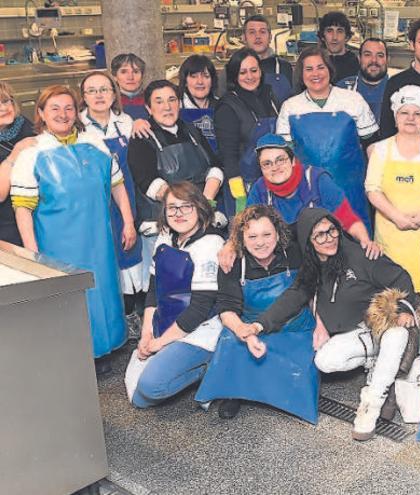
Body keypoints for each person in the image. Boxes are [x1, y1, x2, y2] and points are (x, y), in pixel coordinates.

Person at [254, 207, 420, 440]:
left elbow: (400, 277)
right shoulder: (311, 267)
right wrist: (259, 325)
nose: (329, 238)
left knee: (395, 336)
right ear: (308, 241)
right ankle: (380, 364)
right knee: (325, 361)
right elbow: (293, 297)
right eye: (320, 234)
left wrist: (403, 309)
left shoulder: (361, 255)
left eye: (332, 230)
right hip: (356, 334)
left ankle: (371, 405)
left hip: (382, 324)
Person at [11, 85, 135, 374]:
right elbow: (23, 208)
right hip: (57, 243)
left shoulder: (95, 142)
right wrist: (33, 254)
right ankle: (79, 356)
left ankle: (110, 347)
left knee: (103, 290)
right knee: (73, 299)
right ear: (40, 113)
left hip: (100, 238)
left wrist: (127, 221)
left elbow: (117, 185)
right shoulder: (33, 153)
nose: (63, 114)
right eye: (54, 108)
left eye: (68, 107)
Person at [195, 205, 318, 421]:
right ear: (241, 239)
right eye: (251, 236)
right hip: (251, 327)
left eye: (267, 234)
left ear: (278, 234)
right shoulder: (232, 263)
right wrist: (243, 330)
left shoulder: (295, 251)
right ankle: (234, 393)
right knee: (231, 343)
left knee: (303, 369)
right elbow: (227, 307)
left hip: (295, 326)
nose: (260, 242)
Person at [126, 183, 225, 408]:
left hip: (198, 330)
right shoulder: (164, 238)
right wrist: (146, 334)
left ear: (200, 208)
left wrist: (159, 343)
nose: (178, 214)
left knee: (151, 388)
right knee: (139, 399)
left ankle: (209, 368)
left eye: (186, 207)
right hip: (165, 322)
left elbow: (199, 309)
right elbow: (154, 291)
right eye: (172, 208)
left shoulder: (211, 244)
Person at [276, 46, 378, 227]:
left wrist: (376, 181)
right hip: (307, 193)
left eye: (320, 67)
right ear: (301, 74)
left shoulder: (353, 100)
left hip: (352, 190)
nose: (316, 74)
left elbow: (372, 144)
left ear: (329, 70)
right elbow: (284, 157)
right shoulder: (290, 107)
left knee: (356, 240)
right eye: (309, 69)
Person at [366, 85, 420, 293]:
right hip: (392, 237)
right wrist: (396, 217)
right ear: (395, 117)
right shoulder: (380, 149)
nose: (410, 118)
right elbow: (372, 189)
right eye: (404, 112)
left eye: (417, 114)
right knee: (396, 295)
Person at [79, 71, 146, 325]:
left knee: (130, 253)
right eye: (92, 91)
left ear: (113, 93)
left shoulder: (127, 121)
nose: (99, 95)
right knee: (105, 258)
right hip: (95, 205)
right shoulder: (77, 126)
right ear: (83, 96)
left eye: (104, 89)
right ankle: (113, 319)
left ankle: (134, 314)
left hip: (126, 198)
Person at [246, 133, 375, 251]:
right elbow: (245, 228)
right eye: (267, 164)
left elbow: (348, 219)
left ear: (292, 161)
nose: (275, 167)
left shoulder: (316, 179)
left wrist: (365, 241)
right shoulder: (259, 189)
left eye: (280, 160)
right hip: (287, 259)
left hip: (324, 254)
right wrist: (230, 248)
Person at [128, 80, 223, 230]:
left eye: (172, 100)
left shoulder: (192, 131)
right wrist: (188, 209)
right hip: (163, 222)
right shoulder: (141, 137)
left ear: (179, 103)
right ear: (148, 108)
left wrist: (206, 202)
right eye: (159, 102)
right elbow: (149, 183)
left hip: (201, 214)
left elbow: (215, 167)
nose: (167, 107)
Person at [215, 48, 279, 210]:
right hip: (245, 183)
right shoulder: (228, 106)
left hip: (274, 177)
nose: (249, 76)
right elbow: (228, 155)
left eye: (253, 70)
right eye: (242, 72)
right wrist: (239, 194)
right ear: (234, 75)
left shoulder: (269, 96)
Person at [0, 81, 35, 245]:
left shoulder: (23, 124)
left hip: (34, 213)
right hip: (6, 225)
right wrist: (15, 153)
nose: (3, 107)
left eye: (5, 100)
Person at [242, 14, 298, 103]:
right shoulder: (232, 69)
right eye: (252, 32)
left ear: (270, 37)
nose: (258, 36)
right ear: (244, 38)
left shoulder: (285, 67)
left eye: (262, 32)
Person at [336, 38, 389, 123]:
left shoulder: (398, 90)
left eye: (380, 55)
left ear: (387, 60)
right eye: (368, 55)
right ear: (359, 59)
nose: (374, 60)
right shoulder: (342, 88)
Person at [178, 55, 220, 151]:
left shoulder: (222, 106)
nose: (200, 82)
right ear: (185, 81)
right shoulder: (175, 107)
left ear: (212, 81)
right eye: (194, 76)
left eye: (206, 76)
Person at [318, 12, 359, 83]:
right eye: (329, 31)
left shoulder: (356, 62)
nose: (334, 37)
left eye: (339, 31)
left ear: (346, 37)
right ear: (322, 36)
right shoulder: (315, 62)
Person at [111, 53, 148, 120]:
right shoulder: (109, 102)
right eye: (124, 72)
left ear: (142, 76)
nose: (130, 77)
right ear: (115, 76)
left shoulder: (152, 100)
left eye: (136, 72)